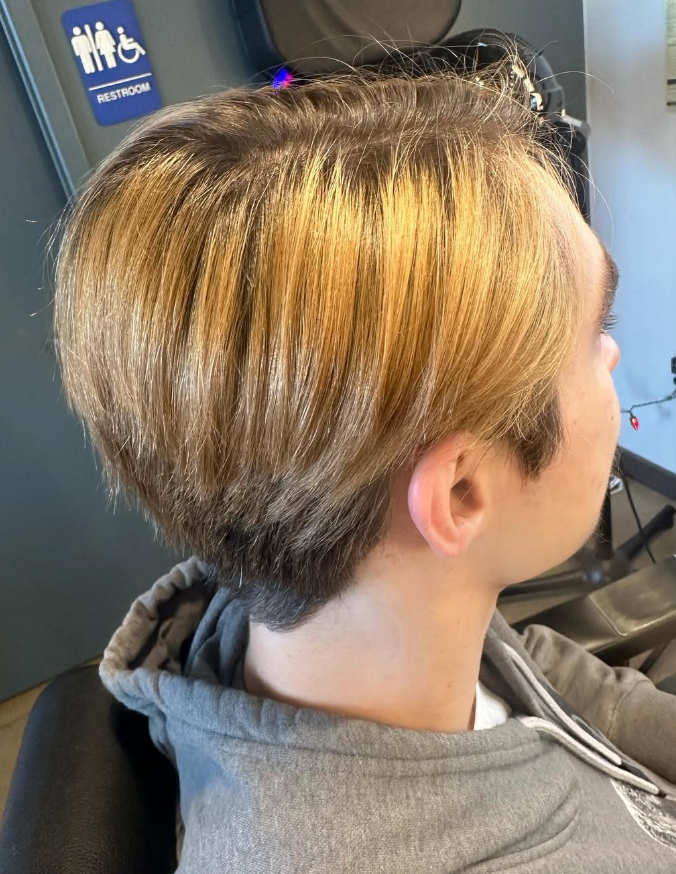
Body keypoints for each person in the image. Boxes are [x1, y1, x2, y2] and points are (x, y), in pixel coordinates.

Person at [53, 62, 676, 872]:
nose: (615, 354)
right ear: (458, 493)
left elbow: (533, 671)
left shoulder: (330, 615)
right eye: (597, 330)